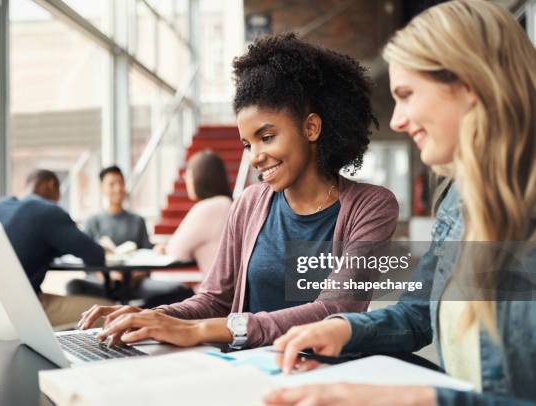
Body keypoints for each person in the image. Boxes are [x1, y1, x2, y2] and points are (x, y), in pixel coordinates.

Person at [267, 1, 536, 405]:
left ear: (471, 84)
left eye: (407, 95)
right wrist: (344, 330)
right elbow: (417, 313)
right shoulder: (459, 201)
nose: (396, 120)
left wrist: (419, 399)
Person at [78, 33, 399, 349]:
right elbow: (216, 298)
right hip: (245, 368)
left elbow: (336, 310)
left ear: (310, 128)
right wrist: (152, 316)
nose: (255, 156)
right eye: (248, 144)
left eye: (267, 137)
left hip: (322, 375)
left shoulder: (371, 206)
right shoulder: (249, 202)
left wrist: (205, 330)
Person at [0, 169, 114, 327]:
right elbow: (95, 255)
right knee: (110, 311)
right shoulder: (48, 211)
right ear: (52, 185)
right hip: (27, 309)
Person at [66, 165, 193, 307]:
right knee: (74, 285)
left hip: (134, 284)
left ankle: (137, 314)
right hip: (102, 283)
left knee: (180, 290)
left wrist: (135, 274)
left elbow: (148, 256)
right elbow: (87, 260)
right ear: (102, 189)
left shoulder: (137, 220)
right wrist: (106, 276)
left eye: (121, 183)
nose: (118, 188)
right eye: (112, 184)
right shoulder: (92, 221)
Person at [154, 150, 233, 274]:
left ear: (200, 178)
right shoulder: (229, 203)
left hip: (217, 290)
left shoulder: (206, 208)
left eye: (188, 176)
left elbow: (176, 252)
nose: (186, 181)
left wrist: (163, 249)